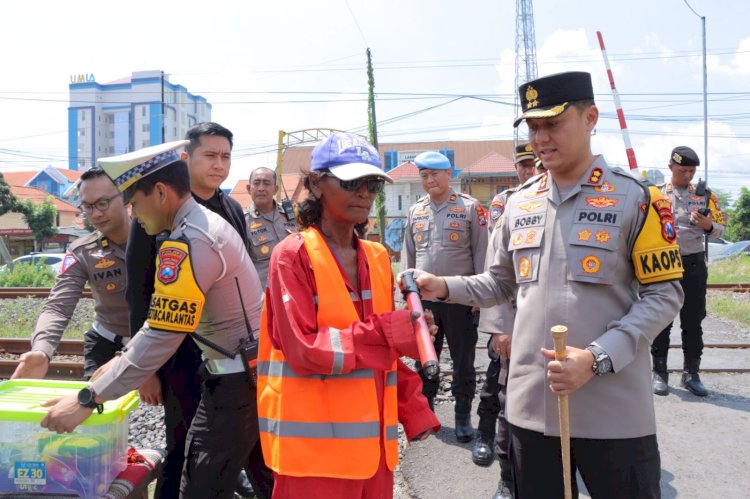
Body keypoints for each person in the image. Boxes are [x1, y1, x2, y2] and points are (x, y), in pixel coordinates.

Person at [406, 71, 684, 498]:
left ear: (590, 118)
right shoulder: (519, 202)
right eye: (533, 127)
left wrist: (597, 358)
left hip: (614, 411)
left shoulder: (638, 199)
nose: (540, 137)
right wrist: (441, 286)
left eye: (552, 123)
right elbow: (499, 283)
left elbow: (664, 294)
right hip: (530, 410)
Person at [41, 140, 268, 499]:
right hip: (245, 376)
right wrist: (117, 365)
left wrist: (87, 398)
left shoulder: (190, 241)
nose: (133, 213)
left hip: (235, 384)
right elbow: (161, 325)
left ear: (160, 193)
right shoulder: (200, 226)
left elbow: (163, 332)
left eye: (134, 203)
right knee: (259, 477)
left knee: (200, 487)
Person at [257, 132, 440, 499]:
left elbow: (382, 356)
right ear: (316, 184)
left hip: (373, 453)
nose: (365, 193)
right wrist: (391, 331)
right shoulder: (291, 256)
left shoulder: (376, 257)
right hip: (313, 458)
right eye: (351, 182)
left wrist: (413, 405)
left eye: (372, 184)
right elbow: (304, 349)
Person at [124, 122, 269, 498]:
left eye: (226, 157)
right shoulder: (159, 211)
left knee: (256, 453)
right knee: (184, 449)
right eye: (210, 155)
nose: (219, 165)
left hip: (233, 361)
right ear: (187, 158)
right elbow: (139, 292)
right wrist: (147, 370)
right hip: (179, 356)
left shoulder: (231, 209)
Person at [11, 168, 161, 401]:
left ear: (125, 197)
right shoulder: (83, 251)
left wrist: (140, 361)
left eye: (103, 203)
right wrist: (41, 350)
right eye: (88, 207)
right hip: (106, 342)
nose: (96, 213)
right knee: (91, 414)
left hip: (156, 343)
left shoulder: (159, 239)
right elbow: (58, 305)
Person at [399, 150, 488, 442]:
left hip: (462, 301)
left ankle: (463, 418)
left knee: (463, 363)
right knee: (426, 360)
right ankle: (427, 414)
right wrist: (407, 295)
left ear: (449, 175)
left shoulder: (470, 208)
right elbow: (408, 257)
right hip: (426, 304)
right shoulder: (416, 211)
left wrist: (479, 295)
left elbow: (482, 253)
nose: (429, 180)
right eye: (424, 175)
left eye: (435, 174)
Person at [473, 143, 537, 499]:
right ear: (517, 168)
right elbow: (495, 269)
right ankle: (507, 475)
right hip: (512, 320)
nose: (531, 171)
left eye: (535, 165)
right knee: (500, 395)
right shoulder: (506, 203)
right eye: (525, 165)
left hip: (553, 326)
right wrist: (498, 326)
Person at [651, 146, 725, 397]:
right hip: (664, 264)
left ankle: (691, 374)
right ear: (670, 167)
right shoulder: (656, 194)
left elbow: (721, 227)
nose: (688, 175)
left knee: (693, 322)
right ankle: (659, 373)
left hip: (693, 263)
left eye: (692, 171)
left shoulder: (705, 196)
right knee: (661, 321)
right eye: (683, 170)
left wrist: (708, 225)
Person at [245, 166, 298, 289]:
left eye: (266, 183)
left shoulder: (291, 214)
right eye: (256, 183)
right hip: (265, 294)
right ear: (249, 188)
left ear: (275, 189)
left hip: (296, 288)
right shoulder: (243, 222)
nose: (261, 188)